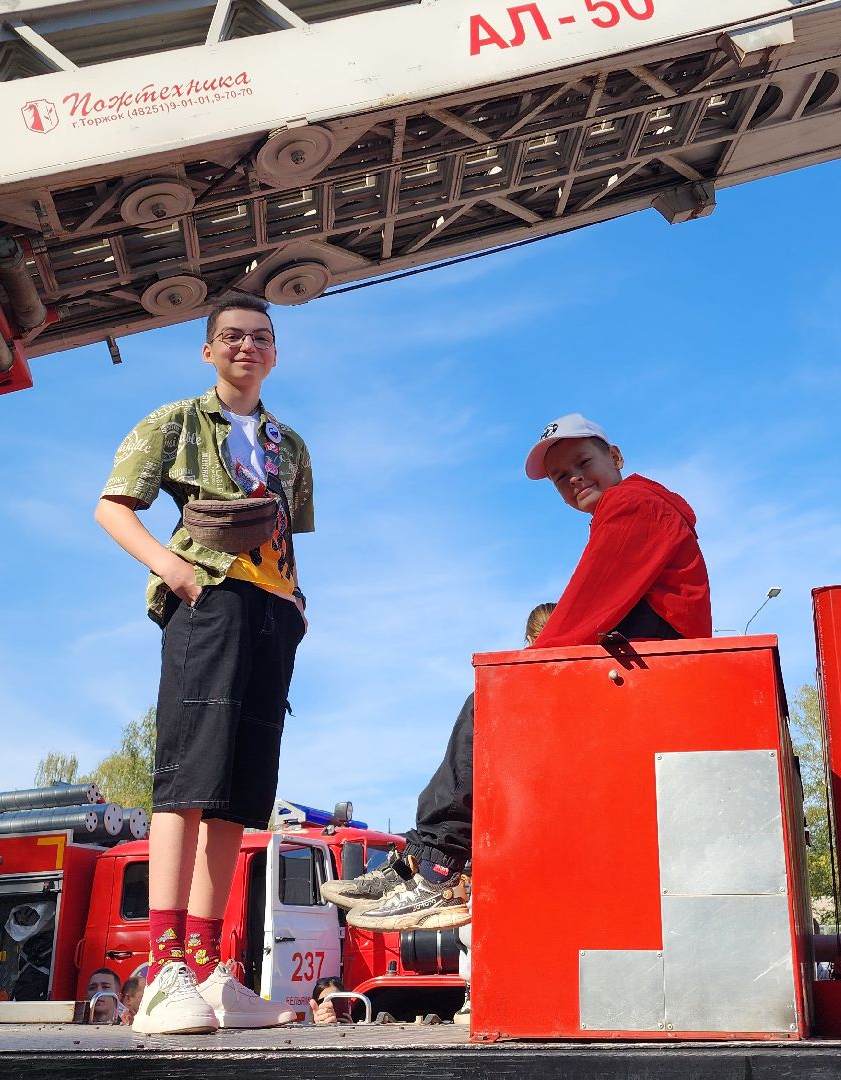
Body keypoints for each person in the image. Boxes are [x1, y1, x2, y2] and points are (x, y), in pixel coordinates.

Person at [329, 415, 710, 932]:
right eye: (560, 476)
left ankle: (436, 867)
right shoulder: (632, 508)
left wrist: (518, 675)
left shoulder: (634, 505)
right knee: (496, 700)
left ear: (616, 456)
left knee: (491, 701)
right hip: (645, 678)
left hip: (649, 684)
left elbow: (581, 615)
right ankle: (421, 861)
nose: (574, 478)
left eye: (583, 462)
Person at [96, 294, 310, 1035]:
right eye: (232, 337)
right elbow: (113, 506)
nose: (248, 347)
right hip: (208, 598)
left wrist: (298, 600)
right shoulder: (177, 421)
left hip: (273, 608)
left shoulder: (289, 444)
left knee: (238, 795)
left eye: (261, 338)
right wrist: (173, 569)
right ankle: (164, 971)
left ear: (275, 353)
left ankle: (212, 970)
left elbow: (286, 528)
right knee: (188, 777)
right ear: (209, 350)